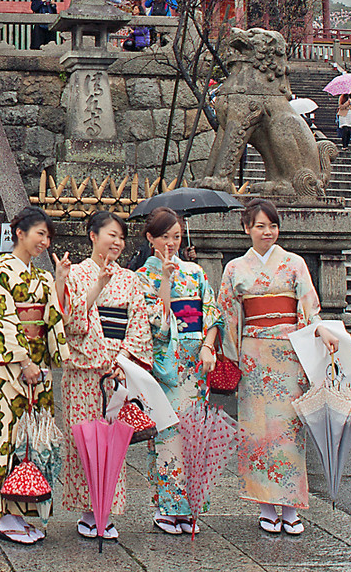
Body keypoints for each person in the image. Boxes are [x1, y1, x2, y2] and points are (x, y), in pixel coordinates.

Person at [216, 198, 341, 536]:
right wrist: (231, 356)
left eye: (272, 226)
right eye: (260, 226)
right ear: (247, 229)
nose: (267, 232)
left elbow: (309, 310)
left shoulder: (294, 264)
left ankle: (290, 506)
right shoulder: (235, 270)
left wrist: (320, 329)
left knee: (288, 431)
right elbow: (227, 314)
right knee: (257, 432)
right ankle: (266, 507)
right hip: (254, 355)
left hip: (289, 354)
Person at [59, 209, 153, 541]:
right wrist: (96, 287)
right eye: (110, 234)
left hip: (117, 372)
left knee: (114, 443)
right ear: (93, 235)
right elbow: (70, 323)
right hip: (85, 371)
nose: (117, 241)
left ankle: (106, 510)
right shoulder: (76, 275)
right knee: (85, 441)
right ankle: (88, 512)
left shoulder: (130, 279)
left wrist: (125, 358)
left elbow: (138, 324)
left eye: (121, 237)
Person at [0, 210, 70, 545]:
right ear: (20, 232)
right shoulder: (0, 271)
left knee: (35, 440)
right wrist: (22, 360)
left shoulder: (42, 276)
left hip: (39, 368)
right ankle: (6, 515)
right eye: (40, 234)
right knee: (9, 435)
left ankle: (29, 511)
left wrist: (58, 279)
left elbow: (52, 317)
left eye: (48, 237)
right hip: (11, 371)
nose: (45, 242)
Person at [136, 209, 224, 536]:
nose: (171, 243)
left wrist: (208, 347)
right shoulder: (143, 276)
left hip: (195, 364)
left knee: (194, 437)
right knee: (167, 437)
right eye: (164, 237)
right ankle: (167, 508)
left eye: (176, 236)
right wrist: (168, 279)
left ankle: (191, 508)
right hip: (166, 367)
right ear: (150, 238)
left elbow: (212, 315)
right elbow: (155, 324)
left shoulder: (197, 273)